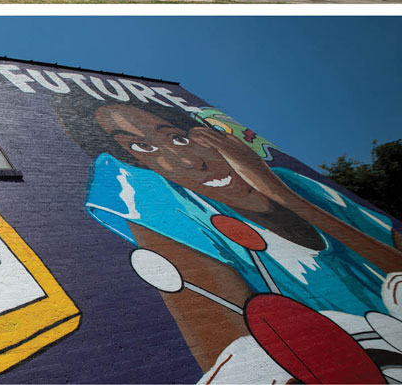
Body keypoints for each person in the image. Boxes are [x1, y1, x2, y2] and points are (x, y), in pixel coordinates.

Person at [55, 96, 402, 376]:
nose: (186, 161)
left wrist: (286, 197)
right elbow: (229, 357)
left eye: (179, 137)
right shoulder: (181, 224)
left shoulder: (303, 188)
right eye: (144, 150)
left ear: (220, 140)